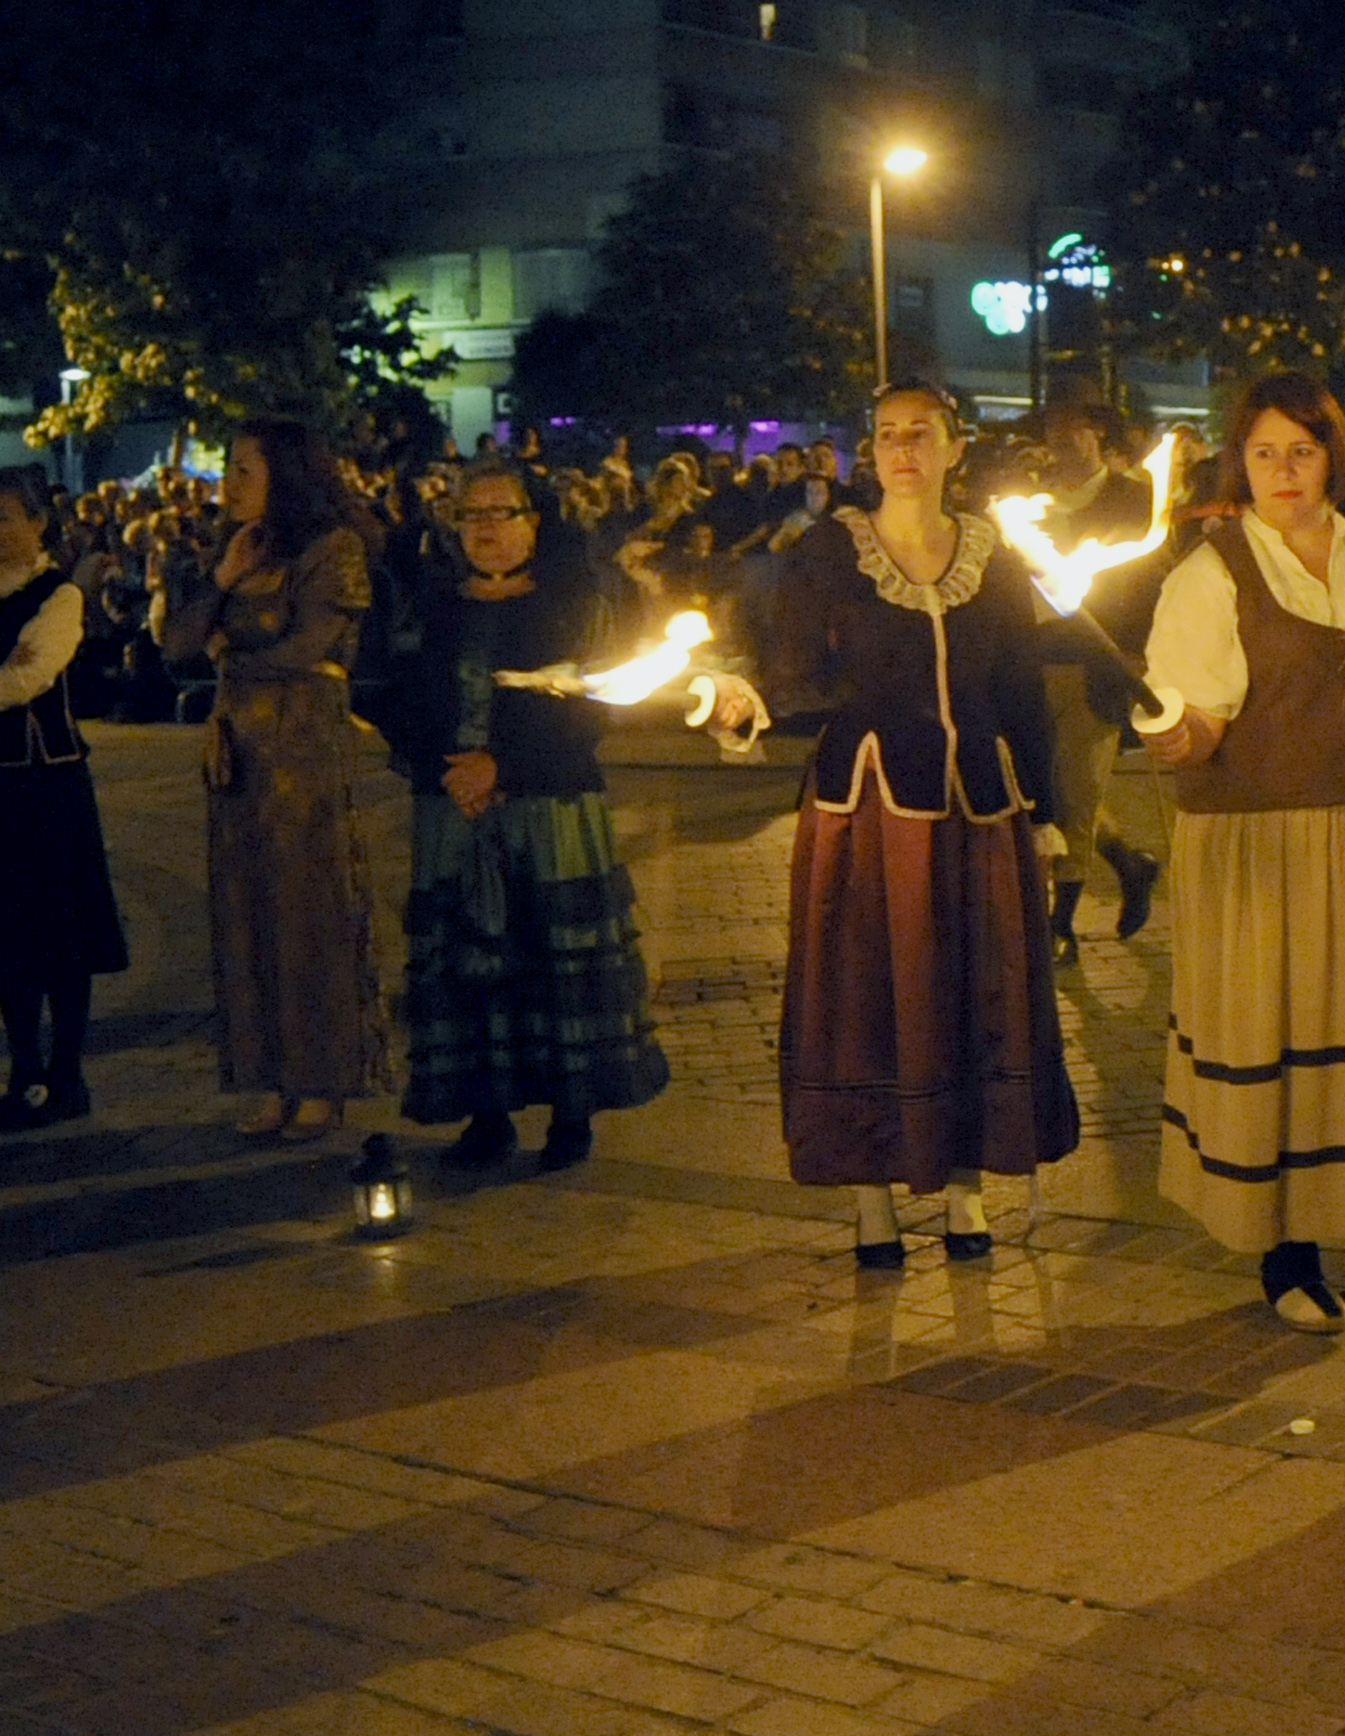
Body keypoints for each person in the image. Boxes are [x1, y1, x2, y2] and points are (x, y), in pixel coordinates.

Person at [1139, 371, 1345, 1332]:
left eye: (1302, 449)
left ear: (1335, 453)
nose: (1283, 471)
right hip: (1260, 847)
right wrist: (1179, 736)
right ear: (1237, 463)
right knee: (1280, 1043)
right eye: (1263, 453)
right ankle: (1286, 1254)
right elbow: (1200, 726)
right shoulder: (1208, 576)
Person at [709, 383, 1076, 1267]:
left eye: (921, 433)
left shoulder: (994, 554)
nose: (902, 448)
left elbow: (1023, 690)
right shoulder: (834, 550)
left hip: (981, 805)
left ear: (956, 448)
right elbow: (789, 673)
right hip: (871, 809)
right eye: (885, 436)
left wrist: (1053, 816)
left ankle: (963, 1193)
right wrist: (743, 702)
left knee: (970, 989)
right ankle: (872, 1201)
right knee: (871, 992)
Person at [371, 462, 669, 1169]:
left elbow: (590, 710)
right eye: (471, 516)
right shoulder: (433, 606)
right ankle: (486, 1113)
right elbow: (395, 695)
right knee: (470, 963)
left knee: (551, 962)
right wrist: (446, 764)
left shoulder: (575, 606)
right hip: (454, 810)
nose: (486, 530)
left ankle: (571, 1116)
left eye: (503, 513)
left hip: (550, 810)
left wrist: (501, 766)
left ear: (536, 521)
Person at [163, 417, 386, 1138]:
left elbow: (310, 648)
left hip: (303, 752)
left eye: (243, 471)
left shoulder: (334, 550)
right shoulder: (238, 553)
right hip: (238, 756)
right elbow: (175, 645)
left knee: (306, 913)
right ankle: (269, 1078)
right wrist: (221, 583)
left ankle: (321, 1079)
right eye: (228, 471)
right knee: (246, 912)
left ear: (284, 476)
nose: (229, 486)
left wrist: (231, 652)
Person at [0, 468, 127, 1128]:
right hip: (3, 787)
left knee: (61, 936)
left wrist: (11, 671)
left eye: (6, 520)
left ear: (37, 523)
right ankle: (24, 1071)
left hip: (48, 787)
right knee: (8, 939)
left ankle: (67, 1073)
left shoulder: (59, 597)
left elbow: (28, 677)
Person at [1033, 401, 1163, 963]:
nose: (1062, 439)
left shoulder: (1132, 502)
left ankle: (1060, 925)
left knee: (1079, 794)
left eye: (1074, 428)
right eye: (1053, 430)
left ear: (1097, 434)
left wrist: (1141, 654)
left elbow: (1148, 582)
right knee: (1052, 792)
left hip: (1100, 664)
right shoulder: (1030, 506)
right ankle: (1130, 864)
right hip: (1033, 663)